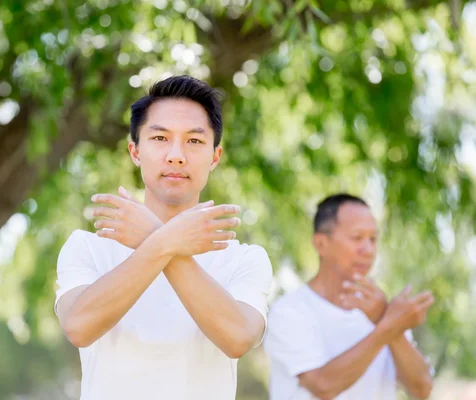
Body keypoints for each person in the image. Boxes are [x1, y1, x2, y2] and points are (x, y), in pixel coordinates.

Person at [54, 75, 273, 400]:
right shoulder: (87, 247)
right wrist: (163, 241)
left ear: (215, 156)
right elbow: (78, 326)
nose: (176, 155)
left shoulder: (244, 259)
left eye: (195, 141)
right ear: (135, 151)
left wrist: (153, 238)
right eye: (159, 138)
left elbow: (239, 337)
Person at [265, 194, 434, 400]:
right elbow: (323, 386)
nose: (368, 250)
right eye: (357, 237)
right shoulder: (290, 311)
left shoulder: (384, 312)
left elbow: (422, 389)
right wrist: (387, 326)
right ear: (320, 243)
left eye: (373, 239)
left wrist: (390, 325)